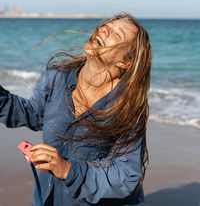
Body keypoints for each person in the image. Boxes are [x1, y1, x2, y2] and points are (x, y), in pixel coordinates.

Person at [0, 13, 152, 206]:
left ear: (125, 62)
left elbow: (126, 175)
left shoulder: (127, 107)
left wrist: (68, 170)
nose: (104, 29)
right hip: (48, 197)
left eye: (117, 33)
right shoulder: (55, 77)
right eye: (106, 25)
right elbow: (35, 115)